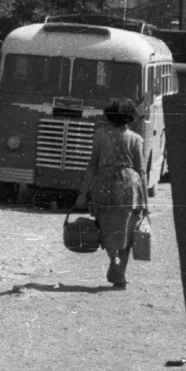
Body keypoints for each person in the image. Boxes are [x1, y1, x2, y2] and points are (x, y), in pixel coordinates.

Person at [77, 98, 149, 289]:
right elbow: (141, 171)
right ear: (130, 118)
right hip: (130, 187)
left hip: (104, 185)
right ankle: (119, 274)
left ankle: (113, 258)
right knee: (127, 230)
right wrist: (146, 202)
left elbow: (92, 165)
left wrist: (83, 193)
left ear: (109, 116)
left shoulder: (100, 135)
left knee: (107, 228)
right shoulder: (136, 139)